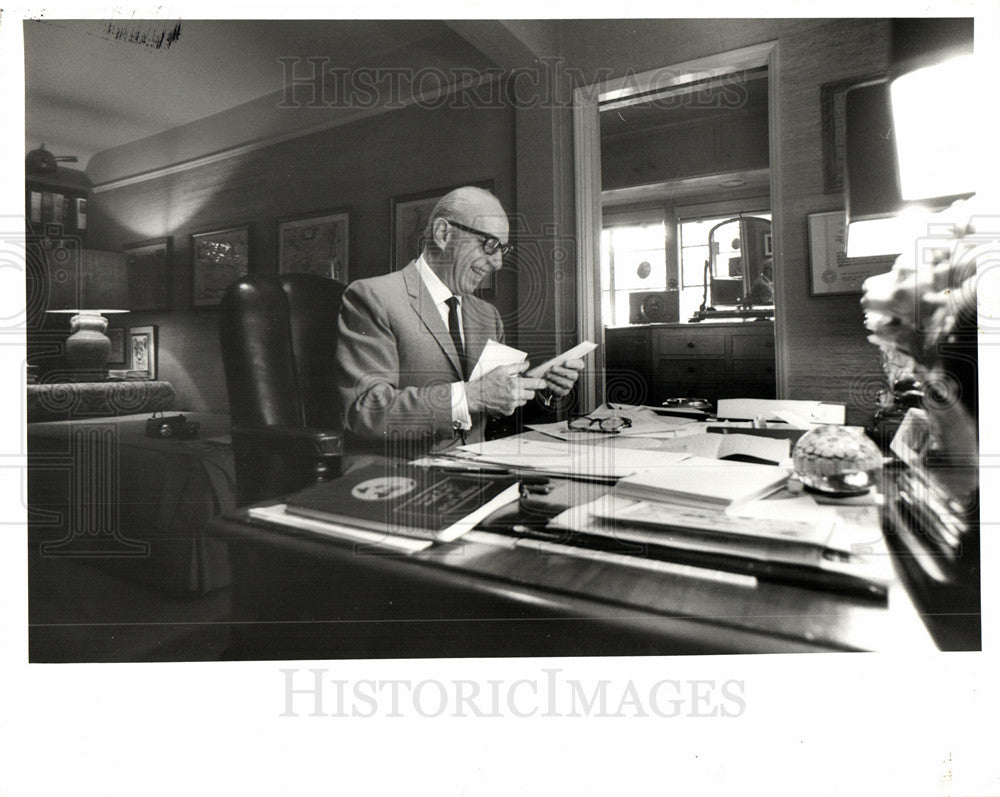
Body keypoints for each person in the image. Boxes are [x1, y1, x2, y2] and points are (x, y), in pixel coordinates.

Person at [335, 186, 584, 455]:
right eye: (490, 245)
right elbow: (364, 410)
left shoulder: (488, 316)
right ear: (443, 234)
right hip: (402, 477)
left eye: (503, 249)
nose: (498, 262)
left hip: (480, 468)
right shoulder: (374, 297)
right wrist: (472, 395)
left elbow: (496, 412)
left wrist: (541, 387)